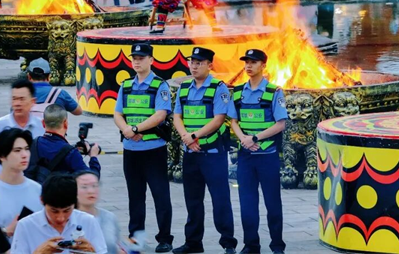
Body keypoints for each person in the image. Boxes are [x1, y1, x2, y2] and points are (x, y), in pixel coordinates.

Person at [172, 47, 237, 254]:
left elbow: (218, 119)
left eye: (199, 63)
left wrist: (194, 136)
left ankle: (228, 243)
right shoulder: (184, 88)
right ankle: (193, 242)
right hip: (191, 153)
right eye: (192, 62)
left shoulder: (219, 88)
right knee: (192, 201)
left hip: (213, 154)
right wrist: (186, 137)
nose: (194, 66)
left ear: (210, 65)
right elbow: (177, 117)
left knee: (220, 200)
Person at [113, 44, 174, 253]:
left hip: (153, 150)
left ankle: (164, 238)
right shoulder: (126, 85)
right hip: (131, 149)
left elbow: (160, 114)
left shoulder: (159, 85)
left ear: (151, 60)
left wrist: (136, 128)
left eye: (141, 58)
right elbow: (118, 113)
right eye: (134, 58)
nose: (137, 62)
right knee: (135, 197)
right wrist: (127, 130)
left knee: (160, 195)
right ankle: (135, 237)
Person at [229, 49, 287, 254]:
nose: (248, 66)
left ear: (263, 65)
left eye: (253, 62)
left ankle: (277, 245)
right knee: (247, 203)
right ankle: (251, 245)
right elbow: (233, 121)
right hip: (246, 157)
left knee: (273, 203)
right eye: (246, 62)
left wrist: (254, 138)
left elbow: (280, 124)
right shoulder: (238, 92)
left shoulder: (274, 92)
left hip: (267, 157)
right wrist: (243, 139)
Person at [11, 174, 107, 253]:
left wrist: (91, 251)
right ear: (42, 200)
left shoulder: (89, 221)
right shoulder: (25, 226)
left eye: (67, 210)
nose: (60, 218)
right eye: (54, 211)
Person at [0, 79, 44, 177]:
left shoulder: (41, 126)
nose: (17, 103)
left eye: (22, 99)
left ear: (32, 101)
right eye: (14, 99)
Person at [0, 129, 42, 240]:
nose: (24, 155)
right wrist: (5, 232)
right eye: (17, 150)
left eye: (27, 149)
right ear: (1, 155)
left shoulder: (37, 189)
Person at [28, 105, 100, 178]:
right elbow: (92, 178)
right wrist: (93, 157)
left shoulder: (32, 144)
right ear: (65, 123)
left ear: (43, 123)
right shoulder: (71, 153)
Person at [75, 170, 124, 254]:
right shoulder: (68, 219)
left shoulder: (109, 217)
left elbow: (116, 245)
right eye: (84, 187)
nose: (91, 191)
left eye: (94, 186)